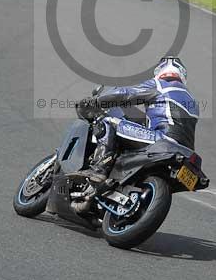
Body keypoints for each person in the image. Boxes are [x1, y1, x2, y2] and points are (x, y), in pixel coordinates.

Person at [76, 56, 199, 189]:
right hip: (185, 153)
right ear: (182, 74)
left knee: (107, 121)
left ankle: (98, 169)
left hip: (163, 140)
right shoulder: (192, 100)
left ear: (160, 71)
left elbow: (126, 94)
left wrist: (97, 101)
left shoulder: (161, 84)